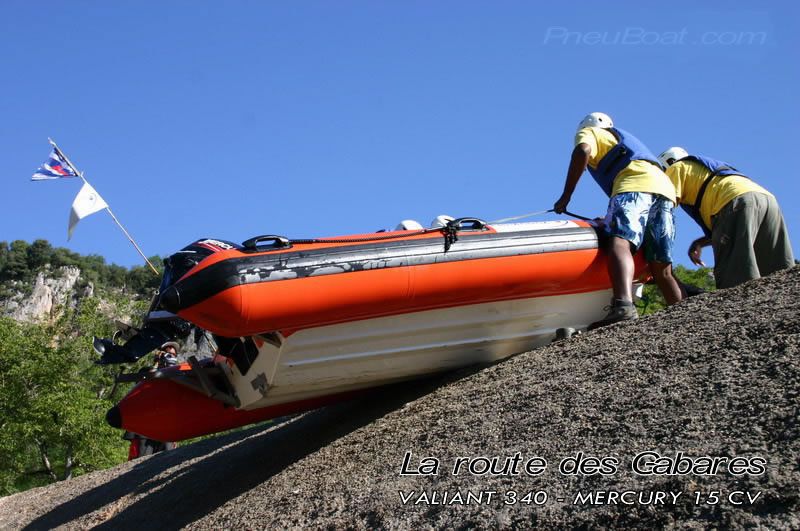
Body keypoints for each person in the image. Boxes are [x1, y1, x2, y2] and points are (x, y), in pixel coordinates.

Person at [554, 112, 682, 329]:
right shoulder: (621, 138)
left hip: (634, 184)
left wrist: (566, 197)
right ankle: (683, 312)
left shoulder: (590, 131)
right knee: (661, 265)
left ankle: (623, 306)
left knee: (620, 242)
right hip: (665, 190)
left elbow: (582, 150)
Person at [658, 147, 794, 288]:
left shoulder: (676, 168)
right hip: (766, 200)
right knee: (779, 271)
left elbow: (663, 205)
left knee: (736, 276)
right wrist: (700, 243)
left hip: (734, 201)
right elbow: (735, 228)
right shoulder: (703, 170)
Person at [124, 341, 180, 460]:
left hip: (167, 427)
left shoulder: (177, 376)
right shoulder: (146, 371)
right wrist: (157, 363)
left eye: (173, 355)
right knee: (140, 460)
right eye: (167, 353)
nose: (170, 356)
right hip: (146, 427)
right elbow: (142, 384)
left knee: (169, 460)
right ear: (160, 354)